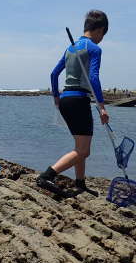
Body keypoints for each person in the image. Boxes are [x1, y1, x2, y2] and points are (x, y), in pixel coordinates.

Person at [37, 10, 110, 192]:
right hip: (79, 101)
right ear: (100, 30)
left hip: (65, 100)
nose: (102, 39)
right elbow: (93, 78)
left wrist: (56, 98)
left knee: (79, 147)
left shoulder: (71, 48)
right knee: (84, 151)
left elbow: (54, 74)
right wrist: (102, 107)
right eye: (103, 35)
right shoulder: (94, 48)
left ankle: (80, 184)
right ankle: (47, 176)